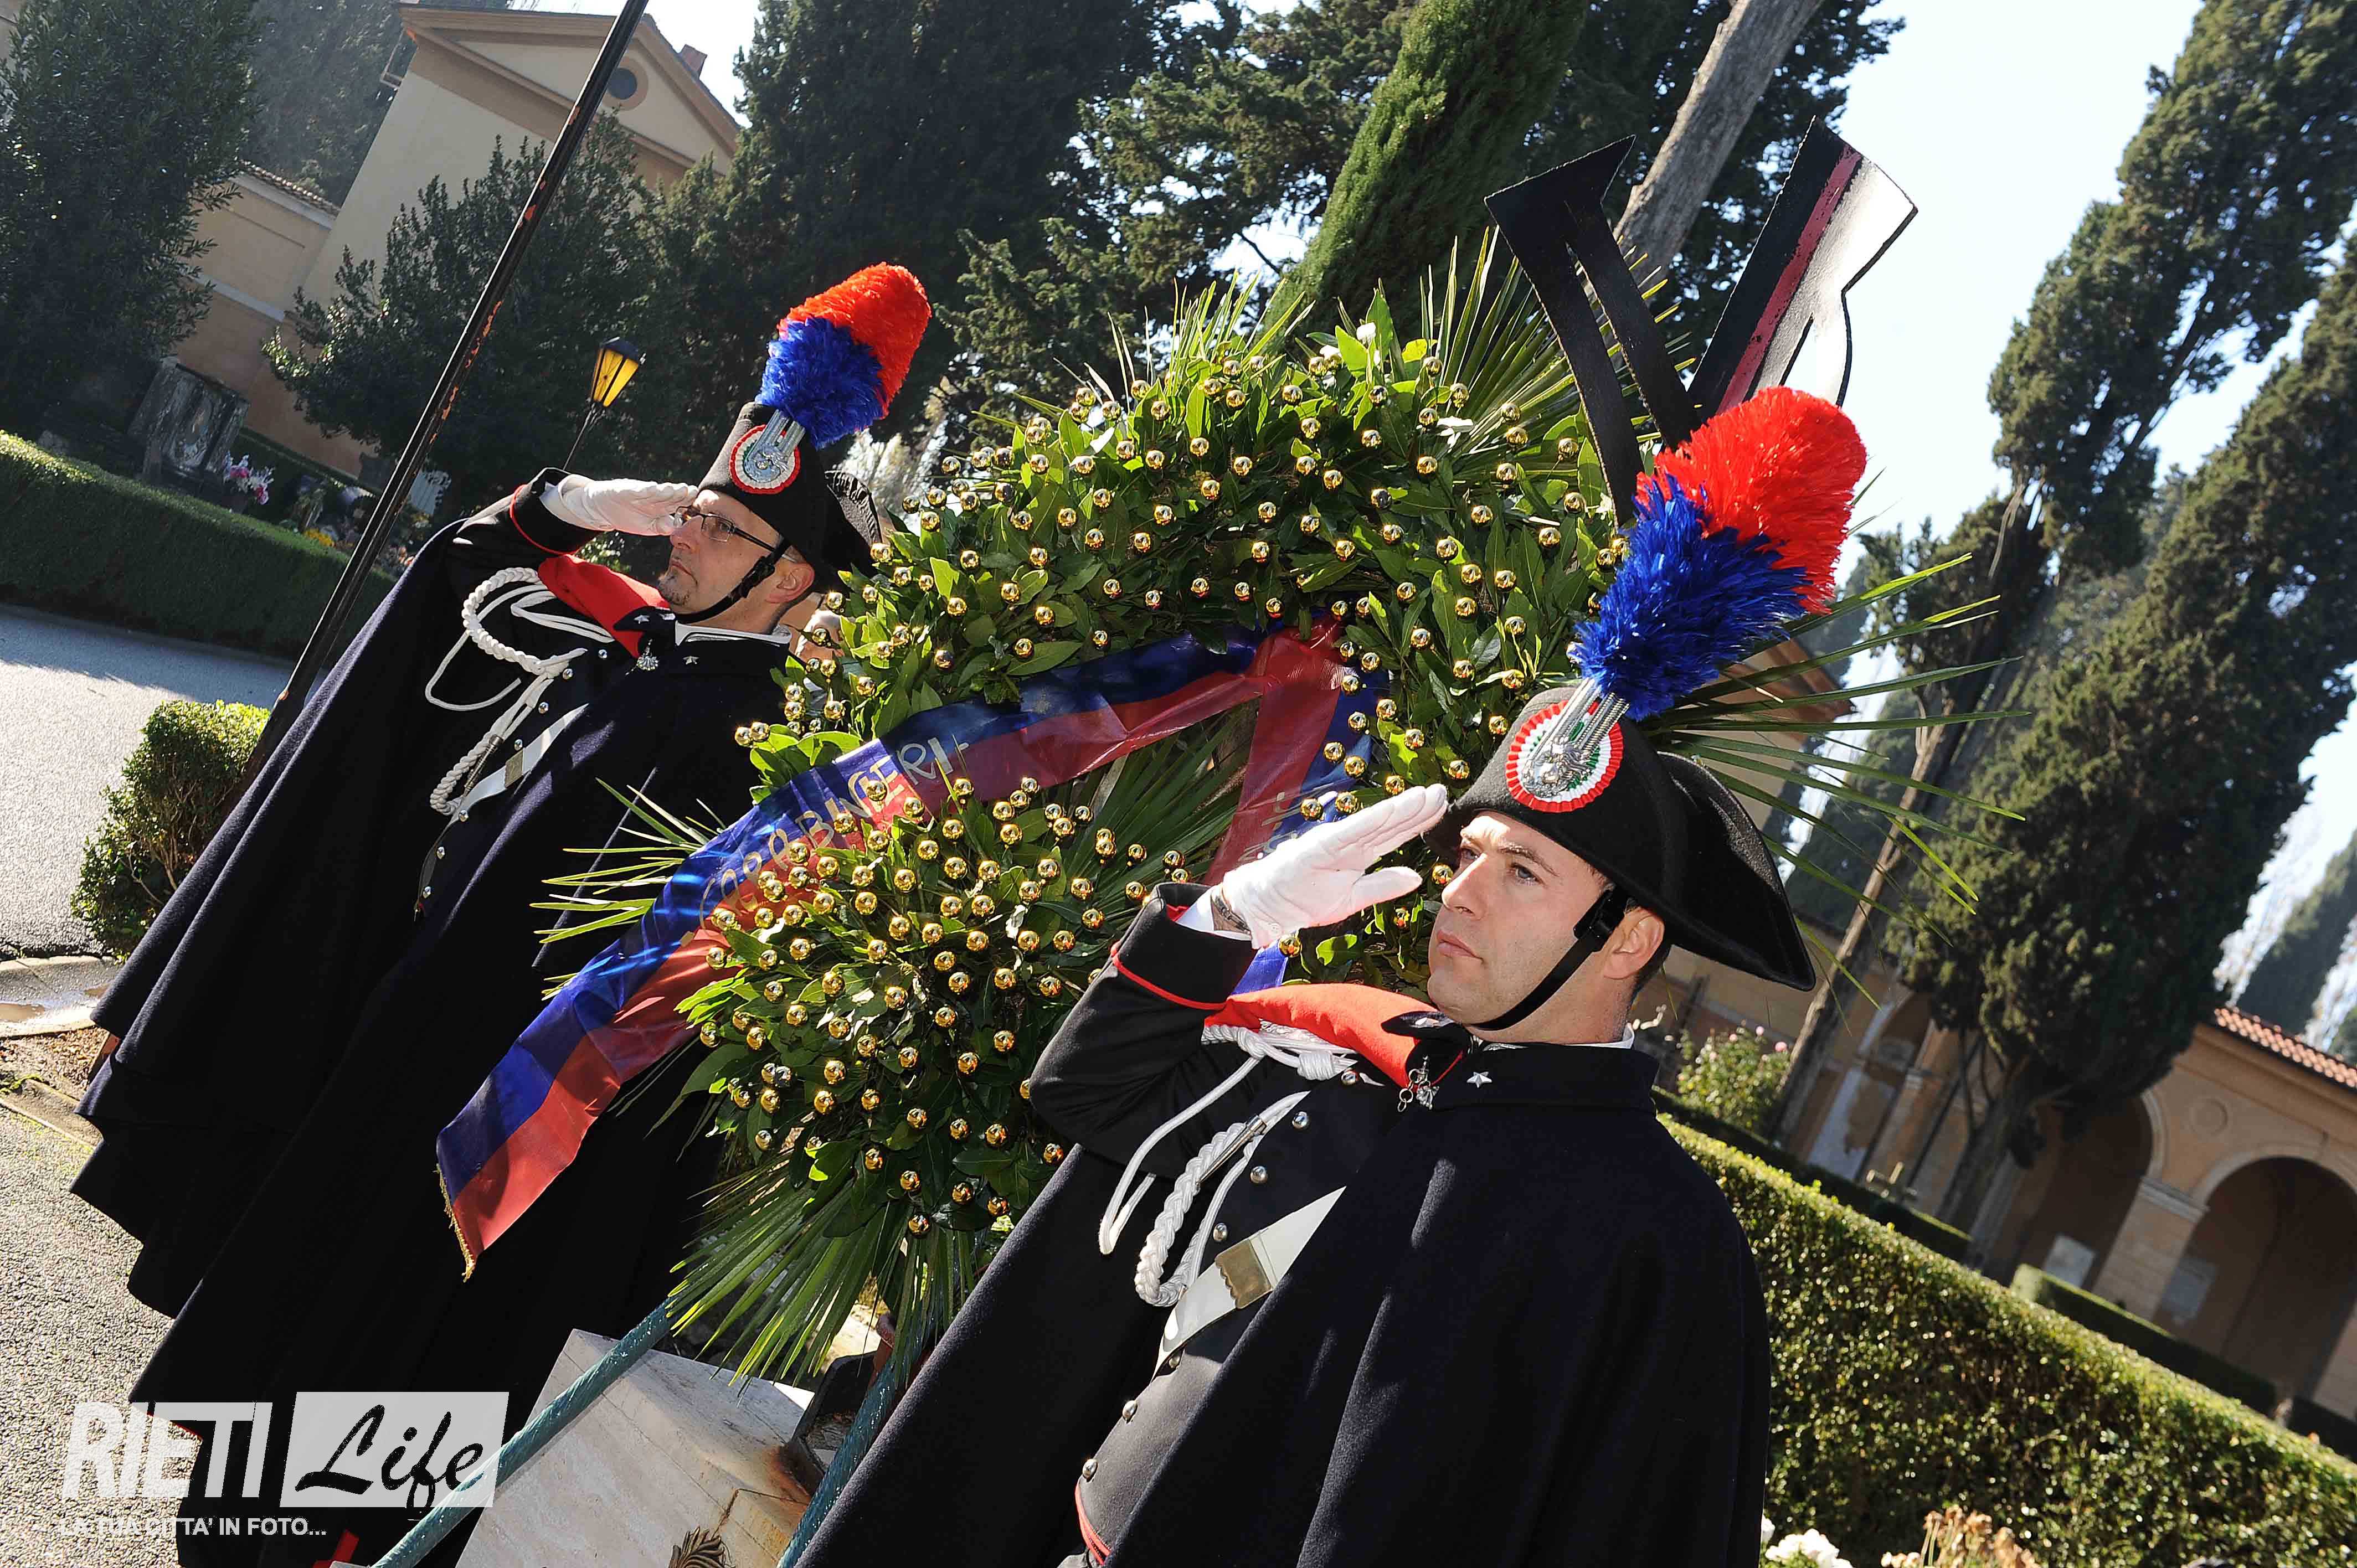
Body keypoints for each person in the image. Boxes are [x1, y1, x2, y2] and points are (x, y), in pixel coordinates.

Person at [72, 263, 929, 1565]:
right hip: (397, 1089)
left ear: (796, 582)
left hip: (517, 1158)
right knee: (262, 1453)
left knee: (376, 1449)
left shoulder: (776, 756)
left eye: (716, 530)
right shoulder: (633, 655)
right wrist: (568, 505)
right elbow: (451, 582)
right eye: (691, 511)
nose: (678, 536)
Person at [794, 680, 1814, 1568]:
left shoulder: (1658, 1236)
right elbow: (1084, 1094)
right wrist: (1234, 918)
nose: (1461, 896)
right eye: (1469, 855)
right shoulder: (1352, 1058)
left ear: (1626, 939)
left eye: (1522, 872)